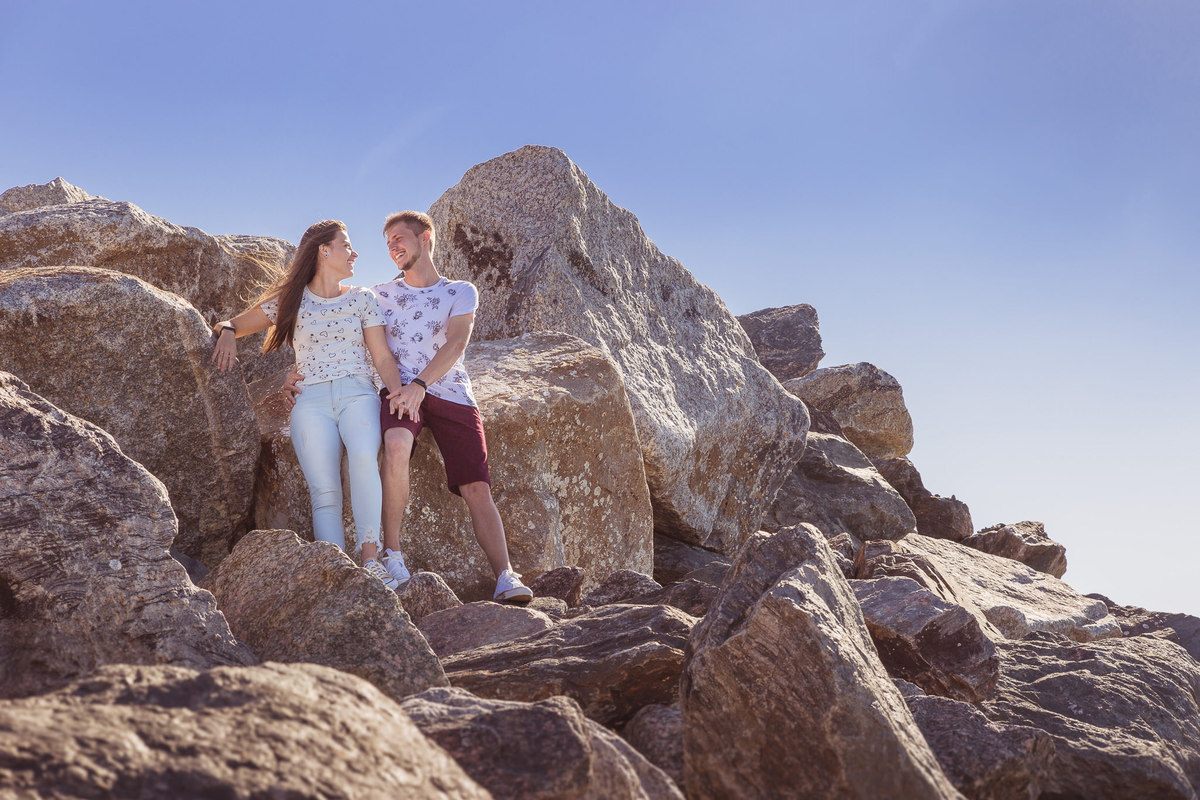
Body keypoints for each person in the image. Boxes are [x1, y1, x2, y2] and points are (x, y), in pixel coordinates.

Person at [285, 211, 533, 604]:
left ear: (426, 238)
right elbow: (336, 325)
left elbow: (456, 343)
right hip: (398, 393)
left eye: (399, 238)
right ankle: (393, 555)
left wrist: (421, 385)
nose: (392, 247)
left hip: (449, 391)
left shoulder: (461, 291)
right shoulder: (379, 293)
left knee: (476, 485)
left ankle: (505, 575)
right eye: (388, 243)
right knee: (396, 444)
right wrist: (296, 370)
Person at [211, 219, 410, 590]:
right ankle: (333, 572)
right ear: (324, 250)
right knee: (324, 491)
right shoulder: (291, 300)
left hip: (358, 393)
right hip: (311, 401)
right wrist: (225, 332)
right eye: (346, 245)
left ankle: (372, 562)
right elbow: (233, 323)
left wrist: (397, 392)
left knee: (365, 460)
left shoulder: (361, 298)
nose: (354, 253)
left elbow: (382, 357)